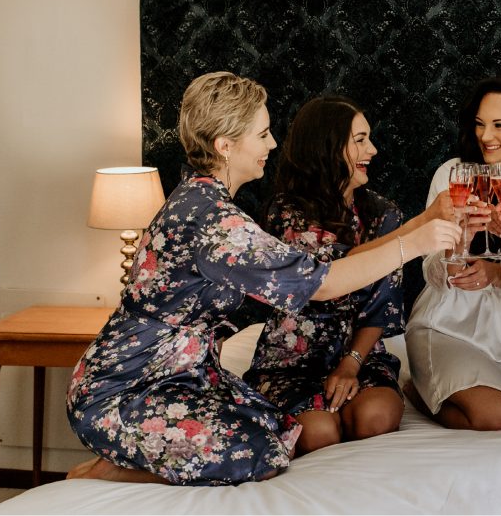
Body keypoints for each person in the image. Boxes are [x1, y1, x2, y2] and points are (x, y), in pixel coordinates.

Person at [66, 72, 459, 485]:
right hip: (126, 387)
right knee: (262, 455)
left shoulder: (204, 199)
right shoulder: (215, 222)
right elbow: (323, 282)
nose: (272, 144)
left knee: (280, 430)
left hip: (178, 377)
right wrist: (416, 242)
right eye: (263, 134)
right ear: (225, 145)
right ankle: (107, 471)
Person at [243, 95, 452, 454]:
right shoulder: (286, 213)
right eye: (360, 140)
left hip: (360, 353)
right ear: (327, 146)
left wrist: (352, 363)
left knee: (377, 417)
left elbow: (382, 305)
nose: (372, 149)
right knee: (319, 433)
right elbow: (329, 274)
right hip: (293, 361)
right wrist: (419, 226)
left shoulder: (384, 214)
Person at [404, 76, 501, 432]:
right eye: (480, 124)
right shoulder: (452, 174)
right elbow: (432, 269)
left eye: (499, 125)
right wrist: (462, 241)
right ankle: (417, 390)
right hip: (445, 323)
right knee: (500, 417)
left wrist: (499, 273)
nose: (486, 135)